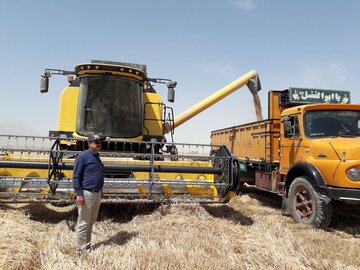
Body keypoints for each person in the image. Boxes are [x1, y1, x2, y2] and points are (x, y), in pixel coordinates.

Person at [73, 134, 104, 257]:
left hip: (97, 193)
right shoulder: (82, 157)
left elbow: (97, 175)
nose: (99, 144)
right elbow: (76, 176)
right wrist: (79, 194)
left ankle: (87, 245)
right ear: (89, 143)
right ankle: (80, 251)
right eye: (96, 142)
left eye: (100, 142)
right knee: (83, 222)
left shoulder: (97, 157)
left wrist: (101, 190)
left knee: (91, 221)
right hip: (87, 193)